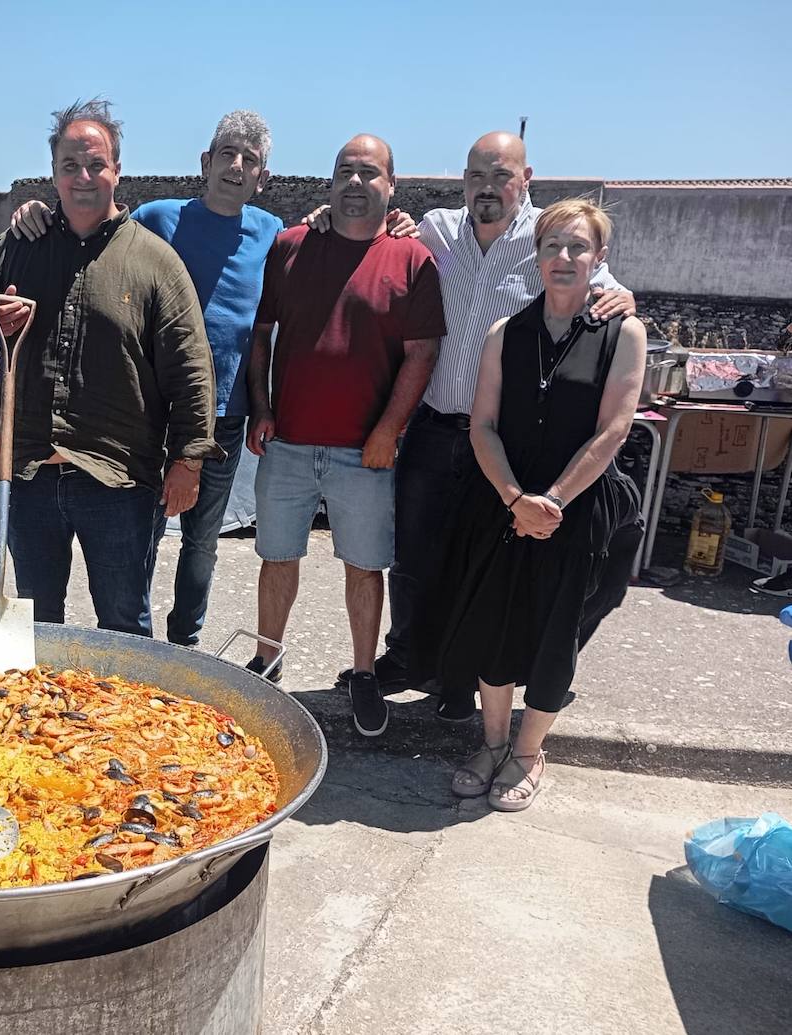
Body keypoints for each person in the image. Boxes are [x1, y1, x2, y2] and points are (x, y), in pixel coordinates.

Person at [7, 113, 419, 648]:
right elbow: (94, 231)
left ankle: (185, 644)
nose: (236, 166)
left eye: (249, 160)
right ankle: (140, 638)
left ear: (263, 178)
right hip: (151, 416)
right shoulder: (158, 218)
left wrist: (393, 222)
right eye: (227, 154)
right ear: (205, 162)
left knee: (202, 542)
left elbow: (334, 233)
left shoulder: (276, 234)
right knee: (140, 535)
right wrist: (35, 211)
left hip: (225, 418)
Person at [307, 131, 636, 721]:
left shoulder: (545, 240)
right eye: (477, 176)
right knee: (413, 554)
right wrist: (321, 216)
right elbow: (373, 232)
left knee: (477, 560)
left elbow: (603, 289)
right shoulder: (436, 229)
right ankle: (409, 656)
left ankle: (460, 672)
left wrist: (624, 299)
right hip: (435, 425)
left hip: (502, 439)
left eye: (501, 176)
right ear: (464, 180)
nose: (488, 188)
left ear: (526, 178)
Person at [0, 98, 219, 637]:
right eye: (70, 165)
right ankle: (36, 720)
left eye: (95, 164)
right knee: (32, 625)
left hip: (117, 478)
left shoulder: (154, 261)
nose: (83, 177)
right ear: (53, 173)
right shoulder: (19, 246)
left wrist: (188, 461)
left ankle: (127, 725)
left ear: (117, 170)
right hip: (25, 473)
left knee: (123, 623)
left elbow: (190, 367)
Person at [437, 198, 645, 810]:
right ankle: (493, 743)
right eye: (553, 246)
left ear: (598, 258)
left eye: (578, 247)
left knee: (556, 634)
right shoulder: (508, 333)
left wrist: (551, 501)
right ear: (537, 256)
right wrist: (513, 499)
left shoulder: (621, 333)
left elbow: (614, 430)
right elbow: (483, 425)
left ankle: (529, 753)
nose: (564, 257)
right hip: (505, 503)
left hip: (574, 511)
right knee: (494, 622)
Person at [247, 135, 446, 737]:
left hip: (366, 451)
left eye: (369, 173)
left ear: (391, 185)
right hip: (288, 442)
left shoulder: (412, 260)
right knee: (276, 557)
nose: (355, 183)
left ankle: (362, 672)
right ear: (329, 182)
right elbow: (261, 336)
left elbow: (422, 354)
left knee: (364, 566)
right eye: (344, 172)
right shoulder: (289, 247)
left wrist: (389, 431)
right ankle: (267, 656)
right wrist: (261, 408)